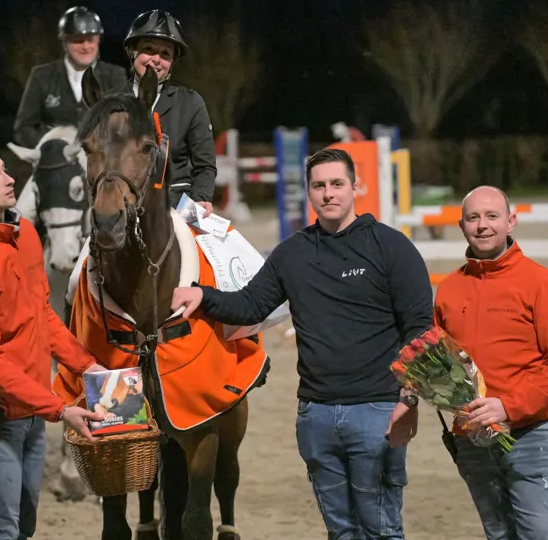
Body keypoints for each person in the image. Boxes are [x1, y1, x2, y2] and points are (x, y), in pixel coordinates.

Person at [171, 148, 433, 539]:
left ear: (355, 187)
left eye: (337, 184)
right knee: (340, 532)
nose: (329, 194)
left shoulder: (391, 248)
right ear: (309, 193)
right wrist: (203, 296)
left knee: (380, 530)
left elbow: (420, 330)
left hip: (376, 411)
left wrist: (408, 400)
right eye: (319, 186)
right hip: (316, 416)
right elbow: (251, 304)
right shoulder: (292, 252)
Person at [0, 144, 108, 540]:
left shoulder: (25, 234)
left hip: (32, 412)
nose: (11, 178)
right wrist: (60, 410)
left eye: (5, 169)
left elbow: (42, 315)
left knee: (22, 527)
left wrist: (86, 366)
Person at [433, 185, 548, 540]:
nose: (482, 225)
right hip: (474, 437)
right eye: (473, 218)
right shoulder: (449, 289)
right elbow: (438, 361)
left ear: (510, 222)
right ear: (461, 225)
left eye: (491, 216)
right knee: (499, 535)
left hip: (535, 432)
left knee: (538, 535)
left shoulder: (540, 283)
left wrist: (508, 406)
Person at [123, 9, 217, 214]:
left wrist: (200, 199)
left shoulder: (190, 103)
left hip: (177, 207)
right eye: (148, 49)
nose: (156, 60)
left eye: (165, 54)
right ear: (132, 51)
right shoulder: (111, 101)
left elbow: (205, 167)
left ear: (173, 61)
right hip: (121, 206)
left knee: (232, 245)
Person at [13, 6, 127, 149]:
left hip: (102, 162)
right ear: (64, 42)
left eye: (91, 40)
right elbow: (23, 128)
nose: (85, 46)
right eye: (78, 40)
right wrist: (54, 146)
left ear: (99, 40)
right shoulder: (41, 75)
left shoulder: (116, 75)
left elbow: (125, 125)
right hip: (55, 163)